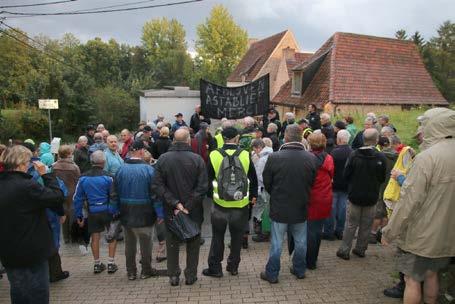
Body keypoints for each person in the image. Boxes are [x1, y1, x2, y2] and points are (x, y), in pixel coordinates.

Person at [382, 108, 455, 304]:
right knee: (433, 275)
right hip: (447, 235)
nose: (420, 130)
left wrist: (390, 231)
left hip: (422, 234)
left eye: (424, 125)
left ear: (433, 126)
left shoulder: (427, 158)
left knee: (412, 279)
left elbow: (409, 200)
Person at [0, 145, 64, 304]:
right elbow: (56, 197)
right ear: (21, 163)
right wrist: (47, 174)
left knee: (18, 292)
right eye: (28, 161)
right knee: (37, 293)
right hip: (32, 250)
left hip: (8, 250)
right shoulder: (27, 186)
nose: (30, 165)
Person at [260, 124, 317, 283]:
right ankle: (299, 270)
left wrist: (277, 194)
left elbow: (267, 182)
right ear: (300, 137)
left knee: (277, 243)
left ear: (285, 136)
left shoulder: (275, 157)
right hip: (300, 205)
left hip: (280, 206)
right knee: (300, 241)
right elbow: (312, 182)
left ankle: (272, 274)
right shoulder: (311, 158)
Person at [151, 129, 208, 286]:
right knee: (193, 242)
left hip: (172, 209)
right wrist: (185, 206)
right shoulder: (197, 159)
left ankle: (173, 275)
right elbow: (202, 187)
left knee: (172, 242)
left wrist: (175, 203)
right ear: (189, 140)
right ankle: (190, 275)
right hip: (192, 209)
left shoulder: (163, 159)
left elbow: (157, 185)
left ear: (173, 140)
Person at [203, 127, 258, 278]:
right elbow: (253, 179)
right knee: (237, 238)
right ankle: (233, 267)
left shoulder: (214, 154)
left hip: (220, 205)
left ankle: (215, 268)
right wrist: (253, 196)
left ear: (223, 138)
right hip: (240, 205)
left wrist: (212, 195)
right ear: (236, 138)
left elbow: (207, 180)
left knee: (217, 237)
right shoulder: (245, 154)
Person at [114, 140, 164, 281]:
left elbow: (114, 193)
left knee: (129, 245)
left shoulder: (121, 169)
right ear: (141, 151)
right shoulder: (149, 170)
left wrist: (115, 210)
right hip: (145, 213)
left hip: (126, 213)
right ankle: (146, 271)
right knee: (146, 244)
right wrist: (160, 212)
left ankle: (131, 272)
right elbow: (155, 195)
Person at [336, 128, 386, 260]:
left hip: (354, 195)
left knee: (351, 224)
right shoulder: (380, 157)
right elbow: (382, 178)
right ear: (376, 140)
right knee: (366, 224)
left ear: (363, 139)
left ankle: (344, 250)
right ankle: (360, 249)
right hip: (371, 196)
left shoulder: (354, 155)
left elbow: (346, 174)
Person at [73, 151, 119, 275]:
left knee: (95, 237)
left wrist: (79, 215)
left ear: (91, 161)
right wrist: (114, 210)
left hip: (92, 211)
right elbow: (114, 196)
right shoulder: (109, 177)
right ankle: (111, 263)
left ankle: (97, 264)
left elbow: (77, 198)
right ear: (104, 162)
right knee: (112, 235)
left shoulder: (83, 178)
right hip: (108, 211)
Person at [306, 133, 334, 270]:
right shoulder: (329, 158)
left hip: (311, 198)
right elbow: (331, 174)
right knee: (317, 230)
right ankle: (313, 258)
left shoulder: (307, 158)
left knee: (309, 231)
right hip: (325, 197)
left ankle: (308, 261)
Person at [323, 130, 352, 240]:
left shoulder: (334, 152)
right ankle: (340, 231)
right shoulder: (352, 152)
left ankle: (329, 231)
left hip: (333, 184)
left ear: (339, 139)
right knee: (343, 208)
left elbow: (328, 168)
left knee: (331, 208)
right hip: (346, 184)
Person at [369, 136, 397, 245]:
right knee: (386, 213)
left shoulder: (380, 156)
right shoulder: (398, 156)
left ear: (379, 145)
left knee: (377, 212)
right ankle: (383, 234)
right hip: (393, 187)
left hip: (381, 187)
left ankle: (372, 234)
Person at [52, 145, 81, 244]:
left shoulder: (54, 166)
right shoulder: (74, 167)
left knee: (63, 213)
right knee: (72, 213)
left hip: (59, 192)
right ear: (69, 154)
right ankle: (73, 236)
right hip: (72, 192)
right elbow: (78, 181)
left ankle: (66, 237)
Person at [251, 139, 274, 242]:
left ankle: (264, 234)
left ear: (259, 148)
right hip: (271, 188)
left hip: (264, 188)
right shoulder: (273, 155)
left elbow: (259, 176)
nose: (255, 152)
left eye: (255, 150)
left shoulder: (262, 159)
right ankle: (267, 232)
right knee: (268, 210)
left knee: (262, 210)